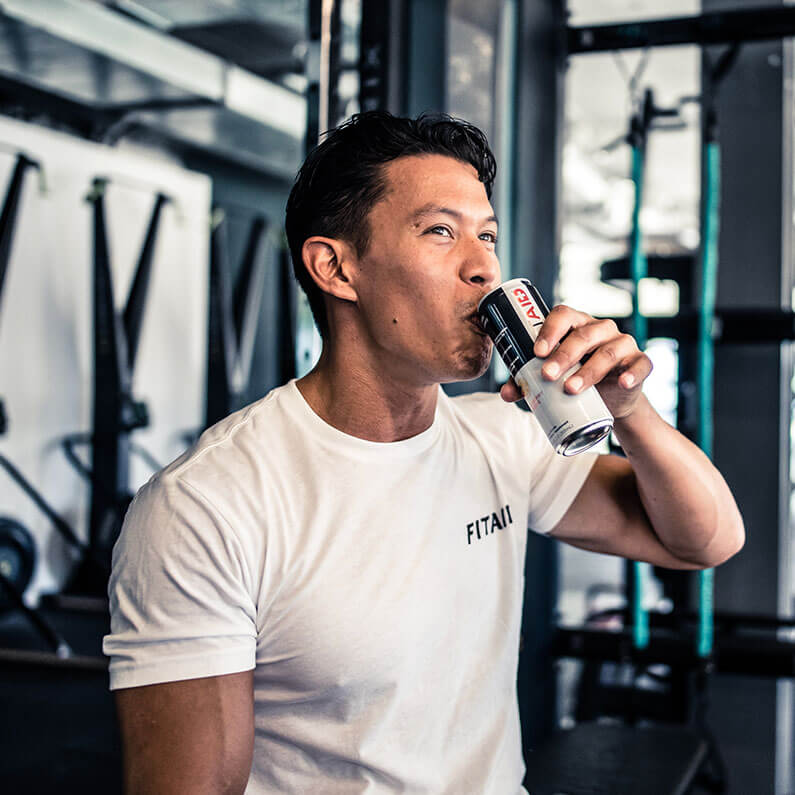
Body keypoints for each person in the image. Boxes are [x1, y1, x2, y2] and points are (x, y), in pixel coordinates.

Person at [103, 111, 744, 794]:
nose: (484, 266)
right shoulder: (207, 506)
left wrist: (629, 409)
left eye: (487, 235)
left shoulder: (500, 438)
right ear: (336, 268)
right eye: (440, 231)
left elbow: (704, 540)